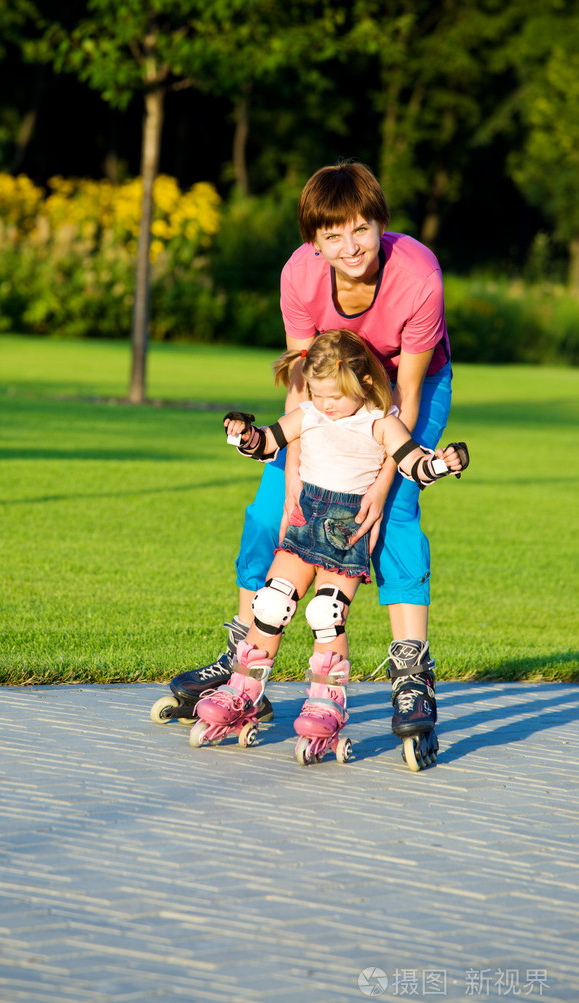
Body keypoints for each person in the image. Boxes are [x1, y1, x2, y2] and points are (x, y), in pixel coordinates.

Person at [168, 161, 454, 746]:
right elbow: (300, 384)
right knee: (270, 510)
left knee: (396, 515)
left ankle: (411, 672)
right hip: (324, 394)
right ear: (314, 242)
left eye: (361, 229)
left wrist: (381, 483)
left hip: (405, 391)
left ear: (381, 224)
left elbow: (404, 394)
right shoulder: (299, 275)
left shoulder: (418, 274)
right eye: (333, 235)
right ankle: (245, 655)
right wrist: (293, 469)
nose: (351, 247)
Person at [190, 330, 467, 770]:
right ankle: (242, 691)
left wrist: (441, 463)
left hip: (346, 533)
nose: (325, 405)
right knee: (271, 603)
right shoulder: (308, 414)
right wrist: (243, 434)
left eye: (334, 396)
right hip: (303, 524)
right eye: (317, 395)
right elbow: (267, 440)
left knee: (326, 613)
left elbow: (413, 462)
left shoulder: (382, 422)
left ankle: (326, 704)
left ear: (364, 383)